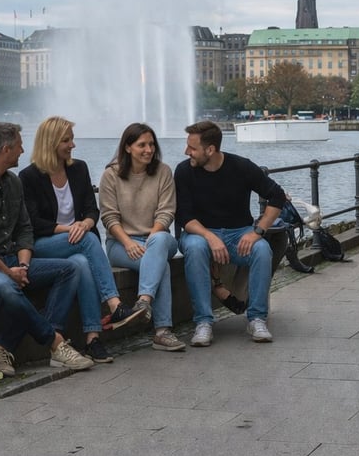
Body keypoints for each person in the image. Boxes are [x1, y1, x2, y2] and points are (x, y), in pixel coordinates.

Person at [0, 122, 95, 376]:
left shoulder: (13, 183)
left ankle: (0, 346)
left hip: (8, 259)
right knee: (7, 286)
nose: (23, 150)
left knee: (68, 270)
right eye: (19, 146)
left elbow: (25, 229)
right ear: (6, 149)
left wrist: (23, 266)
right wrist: (9, 272)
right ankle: (56, 344)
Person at [20, 116, 147, 364]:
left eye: (72, 139)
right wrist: (68, 229)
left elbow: (92, 209)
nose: (72, 145)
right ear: (51, 143)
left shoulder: (79, 168)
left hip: (76, 240)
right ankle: (114, 304)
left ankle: (92, 338)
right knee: (86, 241)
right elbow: (33, 222)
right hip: (45, 244)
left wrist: (86, 223)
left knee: (80, 262)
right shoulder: (29, 177)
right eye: (66, 140)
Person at [175, 120, 286, 346]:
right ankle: (203, 322)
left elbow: (277, 196)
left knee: (262, 249)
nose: (187, 152)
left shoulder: (241, 167)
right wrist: (210, 236)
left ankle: (256, 319)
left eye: (192, 148)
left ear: (210, 149)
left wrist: (257, 231)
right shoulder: (184, 171)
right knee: (195, 248)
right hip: (200, 234)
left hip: (239, 233)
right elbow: (184, 217)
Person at [98, 122, 186, 352]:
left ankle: (143, 302)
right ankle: (162, 332)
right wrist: (127, 242)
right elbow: (109, 217)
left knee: (157, 246)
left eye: (151, 144)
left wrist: (151, 240)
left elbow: (167, 212)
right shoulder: (111, 175)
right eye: (142, 145)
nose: (149, 149)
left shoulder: (163, 171)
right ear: (127, 148)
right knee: (161, 267)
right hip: (120, 244)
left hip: (158, 238)